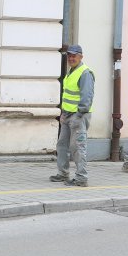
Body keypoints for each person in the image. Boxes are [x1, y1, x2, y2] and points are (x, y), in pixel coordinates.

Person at [50, 45, 95, 187]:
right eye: (69, 55)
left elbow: (87, 96)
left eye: (74, 55)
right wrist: (63, 113)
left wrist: (79, 114)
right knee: (62, 145)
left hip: (78, 116)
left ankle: (81, 178)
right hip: (67, 115)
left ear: (81, 56)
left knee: (77, 147)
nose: (71, 58)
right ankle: (63, 173)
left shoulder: (85, 73)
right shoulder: (71, 72)